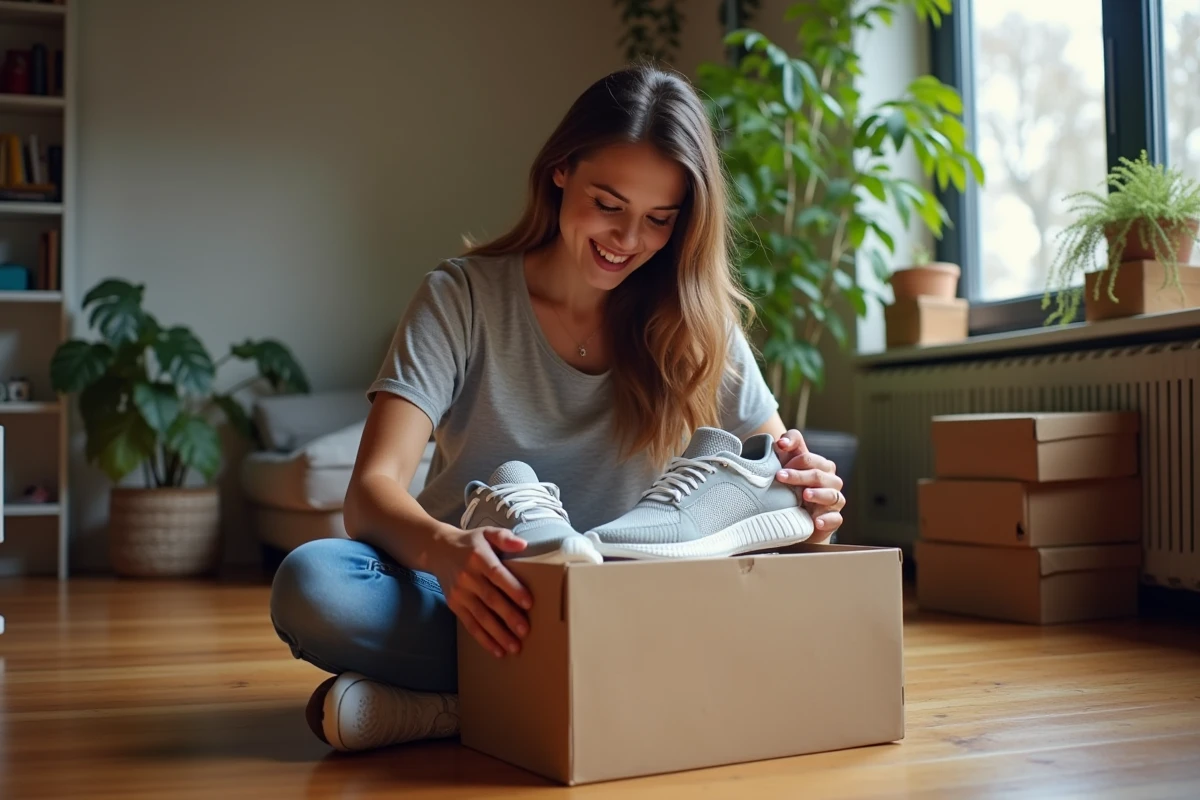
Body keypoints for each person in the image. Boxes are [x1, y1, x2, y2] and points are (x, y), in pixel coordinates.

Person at [269, 64, 846, 753]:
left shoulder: (698, 323)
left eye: (659, 220)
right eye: (609, 204)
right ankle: (594, 691)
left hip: (623, 599)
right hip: (476, 597)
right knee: (315, 585)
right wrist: (445, 553)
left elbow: (771, 488)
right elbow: (370, 492)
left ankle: (457, 708)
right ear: (561, 172)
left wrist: (812, 508)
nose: (627, 239)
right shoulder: (461, 297)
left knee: (780, 606)